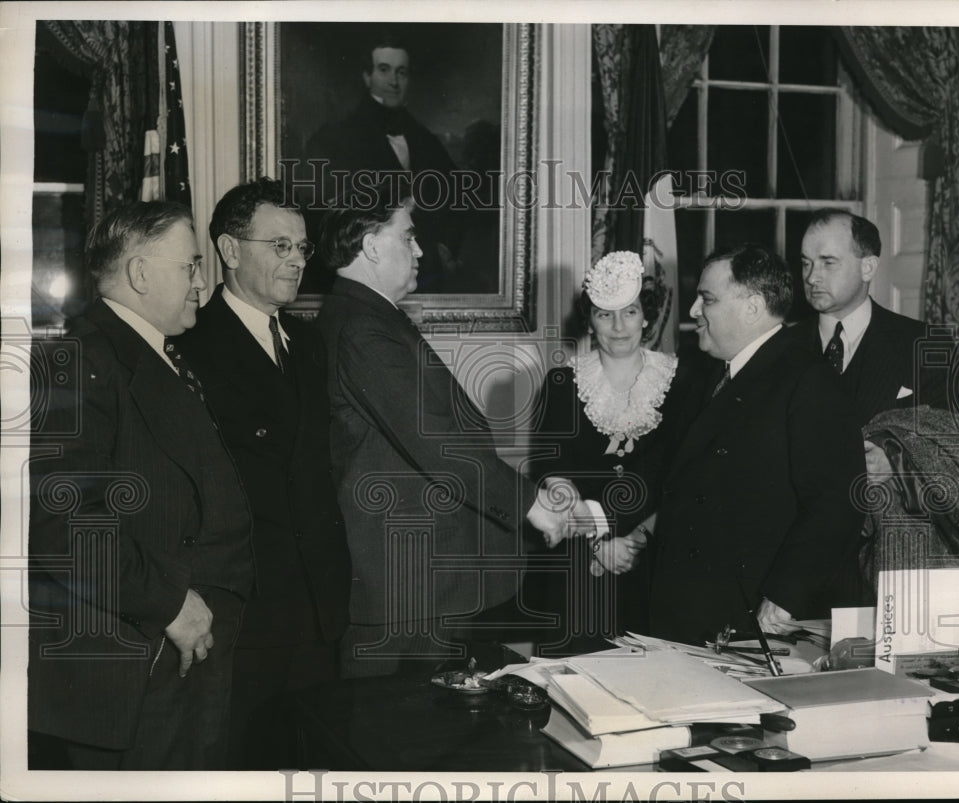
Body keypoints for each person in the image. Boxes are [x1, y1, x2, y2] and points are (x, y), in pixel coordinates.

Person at [315, 180, 574, 677]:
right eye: (407, 236)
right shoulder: (361, 329)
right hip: (405, 593)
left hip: (420, 586)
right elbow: (436, 442)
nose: (418, 250)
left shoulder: (372, 319)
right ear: (371, 244)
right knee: (399, 742)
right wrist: (528, 503)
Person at [27, 202, 253, 770]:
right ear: (141, 273)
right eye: (190, 266)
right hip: (136, 665)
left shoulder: (152, 351)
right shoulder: (79, 359)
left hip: (176, 660)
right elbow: (66, 526)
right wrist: (171, 605)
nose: (202, 282)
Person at [176, 178, 351, 769]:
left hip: (317, 608)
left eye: (302, 248)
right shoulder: (190, 346)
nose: (298, 261)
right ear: (229, 251)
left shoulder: (307, 344)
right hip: (243, 616)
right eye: (280, 246)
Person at [648, 243, 866, 646]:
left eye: (707, 299)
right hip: (689, 609)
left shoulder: (807, 380)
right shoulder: (707, 375)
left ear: (752, 307)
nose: (694, 310)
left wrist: (783, 600)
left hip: (751, 618)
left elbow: (837, 503)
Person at [528, 251, 679, 652]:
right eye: (604, 314)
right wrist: (599, 542)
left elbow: (684, 478)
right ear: (589, 320)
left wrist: (635, 541)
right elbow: (549, 472)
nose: (618, 327)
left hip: (655, 562)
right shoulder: (562, 382)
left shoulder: (681, 382)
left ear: (645, 316)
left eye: (629, 313)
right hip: (578, 565)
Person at [304, 31, 462, 293]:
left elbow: (455, 196)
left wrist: (445, 244)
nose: (394, 81)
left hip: (425, 271)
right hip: (369, 272)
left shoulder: (423, 137)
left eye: (402, 72)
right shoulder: (336, 137)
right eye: (384, 70)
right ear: (367, 77)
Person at [796, 208, 953, 429]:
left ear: (867, 268)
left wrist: (894, 455)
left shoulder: (925, 343)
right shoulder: (781, 345)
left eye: (828, 263)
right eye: (806, 264)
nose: (812, 277)